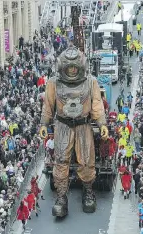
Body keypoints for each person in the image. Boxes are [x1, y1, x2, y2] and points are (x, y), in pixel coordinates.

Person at [40, 45, 108, 217]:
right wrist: (44, 124)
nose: (71, 71)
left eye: (74, 67)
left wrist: (102, 124)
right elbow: (48, 106)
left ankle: (88, 191)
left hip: (83, 125)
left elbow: (97, 105)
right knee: (61, 161)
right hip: (62, 125)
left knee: (86, 160)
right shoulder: (53, 83)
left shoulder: (90, 82)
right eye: (68, 68)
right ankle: (61, 197)